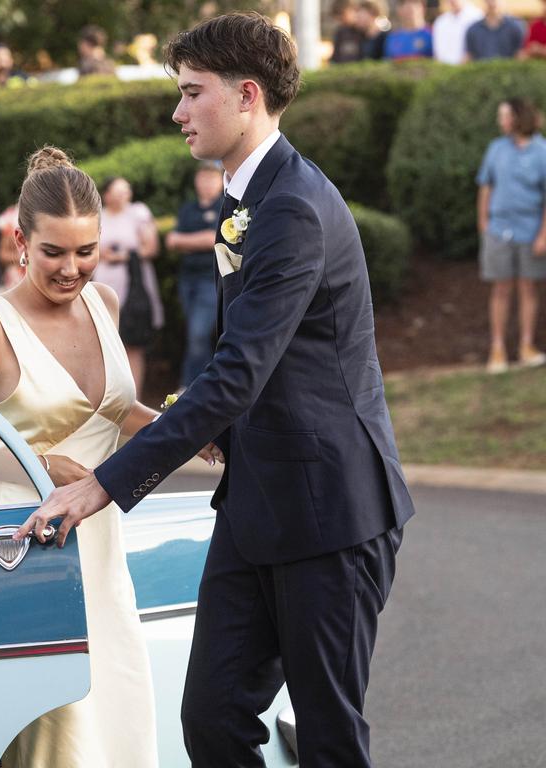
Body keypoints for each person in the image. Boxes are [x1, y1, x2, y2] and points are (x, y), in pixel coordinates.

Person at [24, 14, 415, 768]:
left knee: (330, 741)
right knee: (211, 718)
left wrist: (103, 485)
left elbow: (241, 371)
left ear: (246, 95)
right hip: (258, 501)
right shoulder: (247, 198)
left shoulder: (294, 207)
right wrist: (217, 428)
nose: (177, 113)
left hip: (331, 509)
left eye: (190, 93)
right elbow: (257, 366)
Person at [0, 146, 184, 768]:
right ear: (20, 240)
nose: (72, 269)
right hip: (29, 554)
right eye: (54, 252)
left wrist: (184, 430)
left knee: (119, 721)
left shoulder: (106, 305)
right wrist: (31, 464)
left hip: (104, 554)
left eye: (86, 251)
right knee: (60, 739)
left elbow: (111, 411)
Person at [476, 98, 546, 373]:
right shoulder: (496, 149)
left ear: (518, 118)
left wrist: (543, 234)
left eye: (504, 115)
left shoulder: (542, 151)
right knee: (501, 288)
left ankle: (527, 346)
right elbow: (485, 187)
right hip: (498, 231)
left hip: (530, 231)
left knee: (529, 288)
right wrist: (483, 224)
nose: (500, 120)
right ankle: (498, 348)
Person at [96, 176, 164, 398]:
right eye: (118, 192)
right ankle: (108, 397)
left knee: (133, 342)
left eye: (126, 191)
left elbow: (151, 247)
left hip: (134, 283)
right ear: (106, 195)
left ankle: (133, 399)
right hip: (105, 282)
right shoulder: (98, 216)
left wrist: (123, 256)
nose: (124, 196)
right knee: (105, 341)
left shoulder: (138, 213)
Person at [167, 161, 224, 390]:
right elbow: (172, 241)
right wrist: (200, 240)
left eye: (212, 178)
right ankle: (203, 386)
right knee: (194, 335)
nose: (207, 183)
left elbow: (215, 239)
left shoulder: (225, 206)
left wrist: (188, 241)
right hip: (187, 279)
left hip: (209, 280)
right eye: (203, 178)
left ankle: (191, 387)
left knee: (199, 335)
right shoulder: (188, 209)